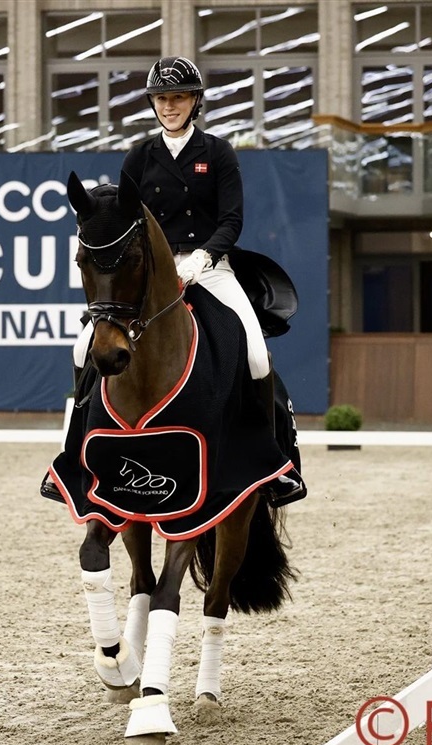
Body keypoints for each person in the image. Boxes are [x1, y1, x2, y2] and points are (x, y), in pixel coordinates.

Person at [71, 55, 302, 506]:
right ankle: (75, 457)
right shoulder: (140, 156)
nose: (169, 106)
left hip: (209, 267)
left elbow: (232, 220)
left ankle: (273, 463)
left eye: (178, 97)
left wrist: (202, 257)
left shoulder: (217, 152)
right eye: (161, 99)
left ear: (195, 102)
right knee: (82, 349)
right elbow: (125, 218)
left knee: (256, 354)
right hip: (152, 274)